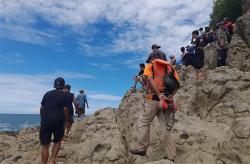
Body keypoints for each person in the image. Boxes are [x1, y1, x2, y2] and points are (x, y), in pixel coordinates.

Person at [130, 53, 177, 162]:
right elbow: (176, 85)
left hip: (153, 99)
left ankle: (142, 148)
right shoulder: (170, 68)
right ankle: (171, 156)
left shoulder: (151, 66)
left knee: (144, 122)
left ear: (152, 59)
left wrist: (158, 94)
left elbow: (150, 80)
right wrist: (169, 97)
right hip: (165, 102)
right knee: (165, 128)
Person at [39, 77, 69, 164]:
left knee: (45, 145)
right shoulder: (64, 95)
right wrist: (66, 121)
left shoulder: (47, 94)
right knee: (58, 141)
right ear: (63, 86)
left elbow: (41, 108)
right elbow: (65, 109)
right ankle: (52, 160)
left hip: (46, 121)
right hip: (58, 121)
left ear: (54, 85)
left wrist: (42, 119)